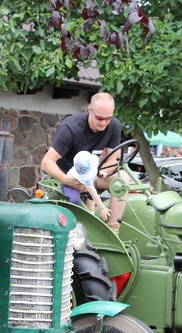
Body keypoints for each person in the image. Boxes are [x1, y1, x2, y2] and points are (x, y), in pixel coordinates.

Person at [40, 92, 127, 234]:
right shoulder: (71, 128)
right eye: (99, 118)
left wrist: (95, 176)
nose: (103, 123)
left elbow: (113, 160)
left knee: (122, 178)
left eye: (108, 118)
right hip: (65, 178)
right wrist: (66, 179)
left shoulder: (114, 126)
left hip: (92, 178)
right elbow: (46, 162)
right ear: (89, 110)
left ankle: (113, 231)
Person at [63, 151, 111, 221]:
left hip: (82, 184)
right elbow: (94, 194)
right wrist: (103, 208)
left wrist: (100, 173)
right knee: (75, 200)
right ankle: (70, 217)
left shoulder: (89, 165)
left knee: (91, 196)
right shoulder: (84, 177)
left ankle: (91, 214)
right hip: (70, 186)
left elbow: (95, 169)